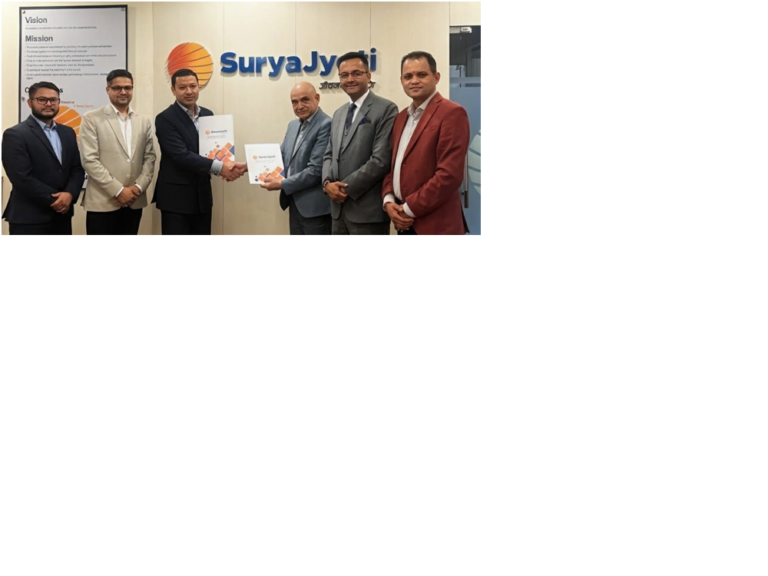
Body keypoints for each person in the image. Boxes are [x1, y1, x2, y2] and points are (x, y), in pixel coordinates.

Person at [382, 51, 470, 235]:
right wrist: (389, 200)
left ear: (436, 77)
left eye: (421, 75)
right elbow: (393, 166)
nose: (414, 81)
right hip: (403, 221)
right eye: (408, 76)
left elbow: (449, 175)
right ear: (401, 81)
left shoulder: (452, 113)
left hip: (436, 224)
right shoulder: (400, 118)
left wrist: (408, 208)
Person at [153, 68, 246, 235]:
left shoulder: (208, 115)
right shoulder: (165, 118)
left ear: (198, 87)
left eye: (193, 86)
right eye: (182, 87)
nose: (189, 91)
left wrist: (227, 166)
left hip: (202, 196)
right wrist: (221, 168)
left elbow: (214, 151)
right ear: (173, 90)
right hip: (176, 199)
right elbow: (181, 155)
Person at [322, 52, 398, 235]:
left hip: (367, 211)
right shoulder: (339, 113)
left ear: (368, 76)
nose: (350, 79)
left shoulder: (386, 109)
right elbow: (329, 154)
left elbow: (380, 160)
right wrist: (326, 184)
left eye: (356, 73)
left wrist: (344, 188)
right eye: (344, 75)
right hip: (338, 211)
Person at [78, 69, 156, 235]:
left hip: (134, 200)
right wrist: (119, 191)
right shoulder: (91, 118)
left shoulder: (143, 120)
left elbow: (149, 158)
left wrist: (138, 188)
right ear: (108, 90)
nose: (123, 92)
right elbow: (89, 160)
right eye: (117, 88)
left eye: (127, 88)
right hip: (103, 202)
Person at [1, 81, 85, 235]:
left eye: (53, 100)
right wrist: (56, 200)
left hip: (62, 217)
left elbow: (77, 168)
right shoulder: (15, 134)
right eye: (42, 100)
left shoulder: (67, 132)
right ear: (30, 102)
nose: (48, 104)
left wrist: (70, 194)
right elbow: (21, 177)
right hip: (29, 218)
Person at [261, 82, 332, 235]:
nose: (299, 106)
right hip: (294, 203)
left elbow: (316, 170)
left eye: (305, 100)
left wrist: (282, 184)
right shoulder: (293, 125)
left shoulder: (326, 124)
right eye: (294, 102)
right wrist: (248, 166)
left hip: (315, 210)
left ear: (317, 98)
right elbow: (280, 156)